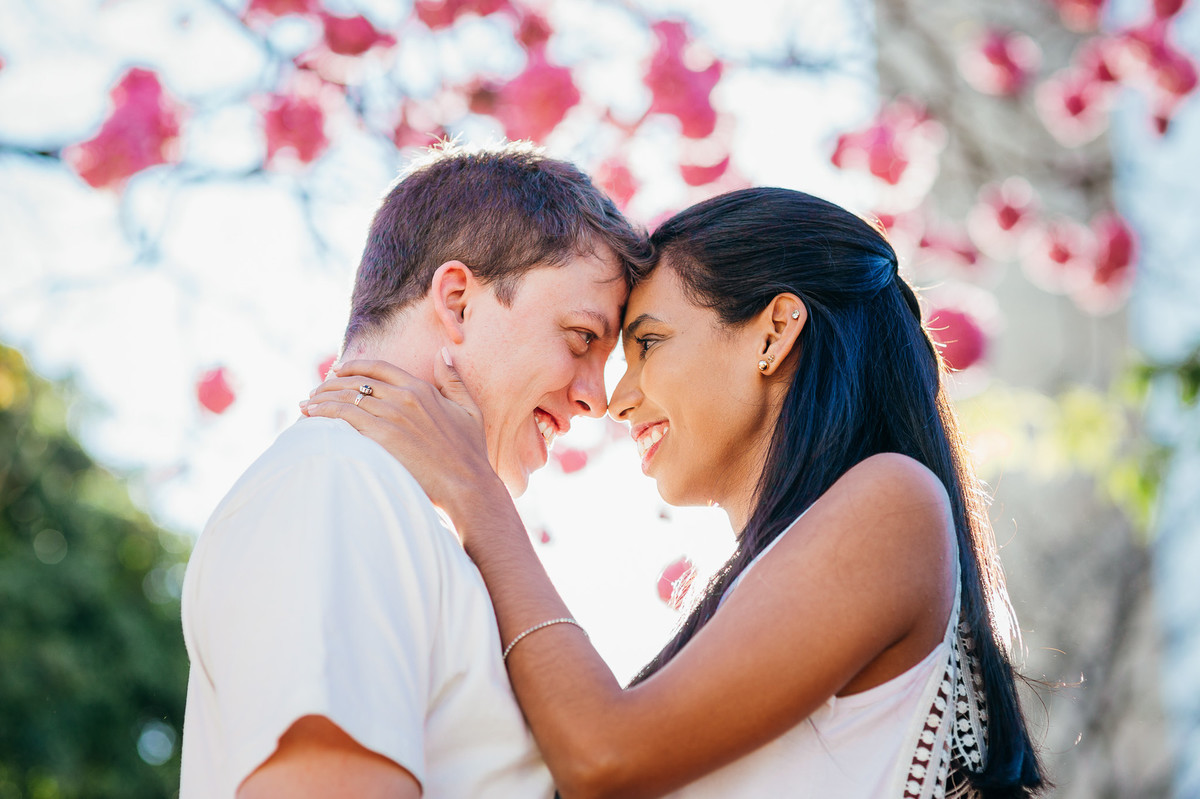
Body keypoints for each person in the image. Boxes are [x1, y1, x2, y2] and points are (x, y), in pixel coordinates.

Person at [303, 187, 1049, 798]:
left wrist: (476, 495)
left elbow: (605, 756)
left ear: (773, 332)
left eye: (649, 343)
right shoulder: (789, 569)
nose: (616, 398)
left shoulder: (894, 502)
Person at [179, 141, 652, 798]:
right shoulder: (337, 485)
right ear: (457, 300)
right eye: (580, 339)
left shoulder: (390, 508)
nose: (595, 397)